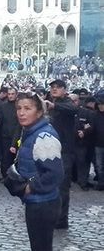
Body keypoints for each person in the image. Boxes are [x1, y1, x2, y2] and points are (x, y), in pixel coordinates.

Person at [15, 92, 64, 251]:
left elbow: (54, 174)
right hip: (36, 202)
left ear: (39, 112)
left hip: (43, 204)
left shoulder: (44, 136)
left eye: (27, 108)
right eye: (19, 108)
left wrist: (30, 187)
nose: (21, 113)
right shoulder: (30, 131)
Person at [45, 79, 78, 229]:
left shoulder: (67, 102)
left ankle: (61, 220)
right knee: (51, 184)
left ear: (65, 89)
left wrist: (54, 105)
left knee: (62, 187)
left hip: (64, 151)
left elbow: (72, 109)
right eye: (52, 87)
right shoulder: (50, 102)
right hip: (50, 149)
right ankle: (52, 216)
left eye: (58, 87)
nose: (54, 89)